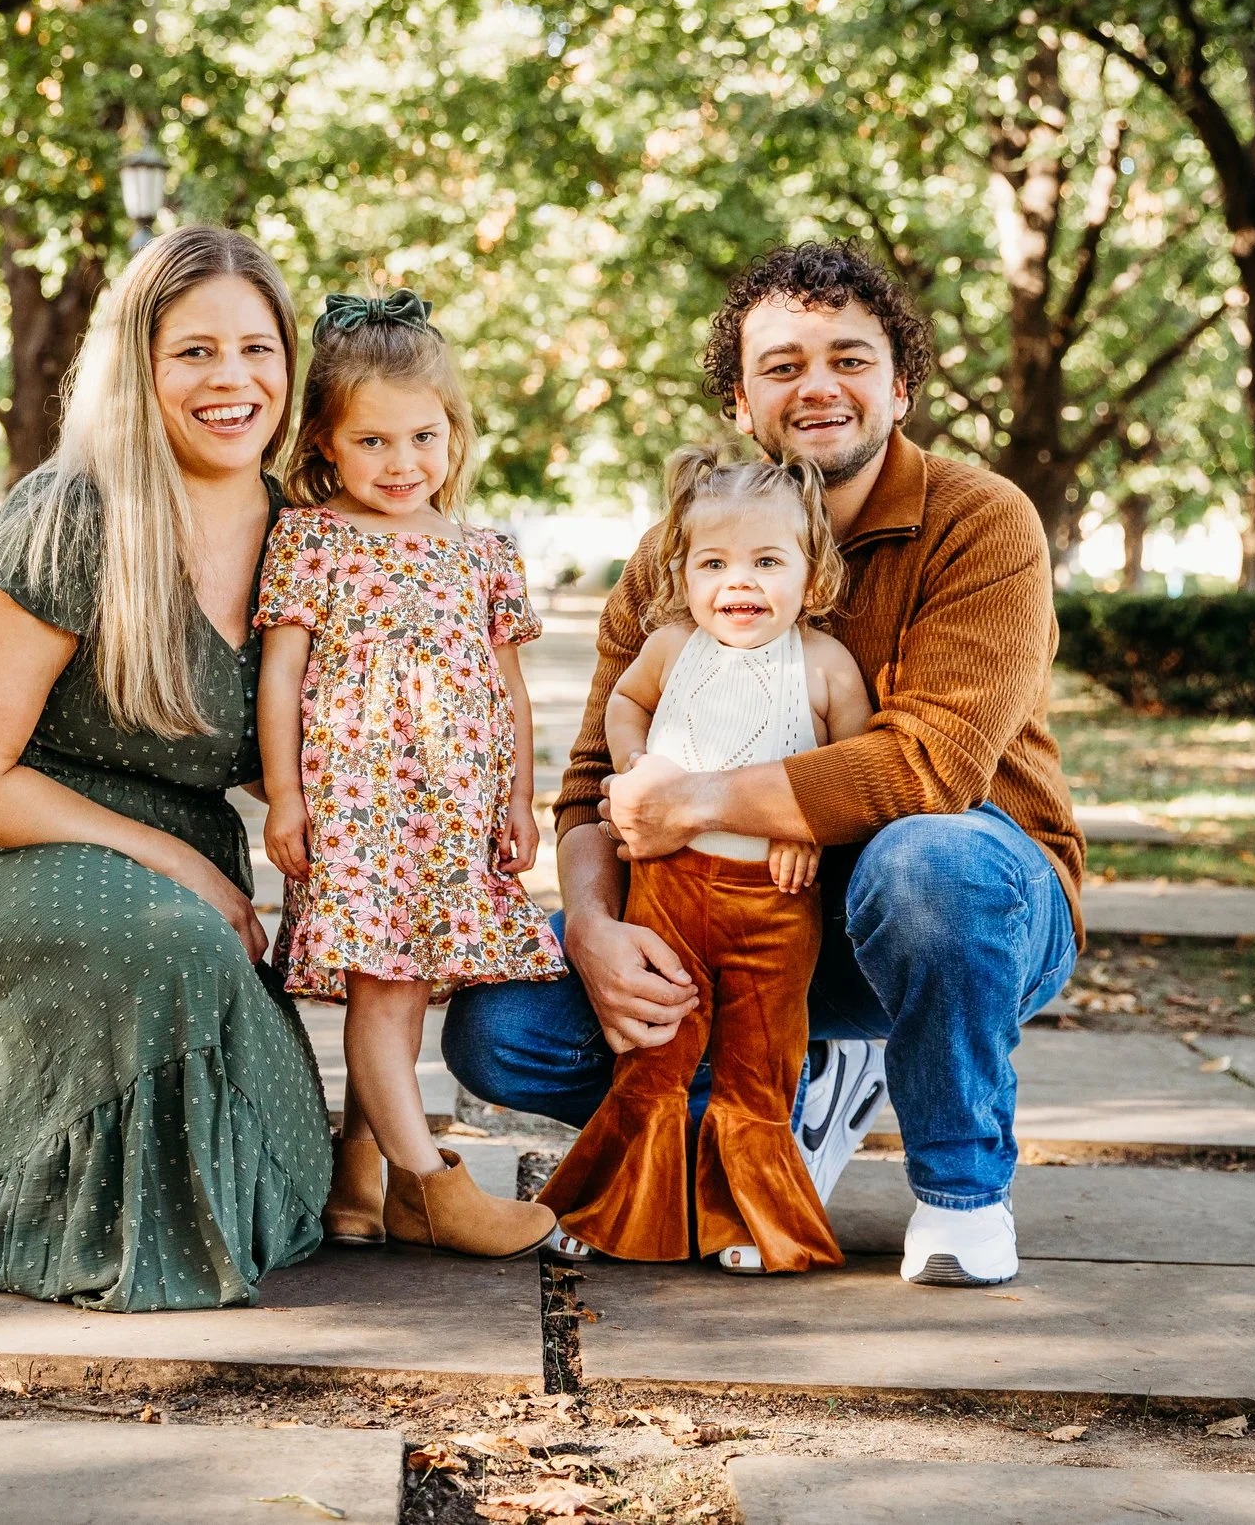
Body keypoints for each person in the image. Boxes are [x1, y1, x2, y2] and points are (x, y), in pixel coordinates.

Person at [444, 241, 1085, 1288]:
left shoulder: (980, 522)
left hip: (949, 910)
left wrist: (698, 797)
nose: (818, 385)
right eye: (783, 365)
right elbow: (589, 786)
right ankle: (768, 1119)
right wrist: (600, 930)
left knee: (927, 863)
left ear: (900, 383)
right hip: (714, 919)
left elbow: (931, 767)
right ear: (741, 400)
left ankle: (961, 1192)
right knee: (499, 1022)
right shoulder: (676, 549)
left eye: (849, 358)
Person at [0, 226, 332, 1312]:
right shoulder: (70, 514)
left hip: (175, 872)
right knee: (177, 944)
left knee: (300, 1169)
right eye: (193, 351)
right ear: (136, 367)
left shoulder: (308, 540)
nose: (232, 379)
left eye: (258, 349)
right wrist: (181, 866)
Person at [255, 290, 564, 1259]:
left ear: (454, 433)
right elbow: (281, 678)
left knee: (403, 990)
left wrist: (517, 797)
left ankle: (358, 1180)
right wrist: (287, 796)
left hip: (452, 810)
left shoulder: (480, 553)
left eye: (422, 437)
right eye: (374, 442)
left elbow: (507, 693)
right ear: (327, 447)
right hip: (359, 810)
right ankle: (427, 1182)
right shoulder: (315, 540)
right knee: (384, 993)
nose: (402, 463)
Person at [536, 448, 870, 1274]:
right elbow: (625, 703)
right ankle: (611, 1209)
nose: (739, 583)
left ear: (812, 570)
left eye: (766, 562)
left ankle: (749, 1222)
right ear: (680, 569)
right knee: (654, 1056)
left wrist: (809, 821)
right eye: (714, 563)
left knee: (759, 1068)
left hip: (772, 909)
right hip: (670, 892)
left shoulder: (823, 664)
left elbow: (858, 765)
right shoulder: (668, 647)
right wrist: (635, 767)